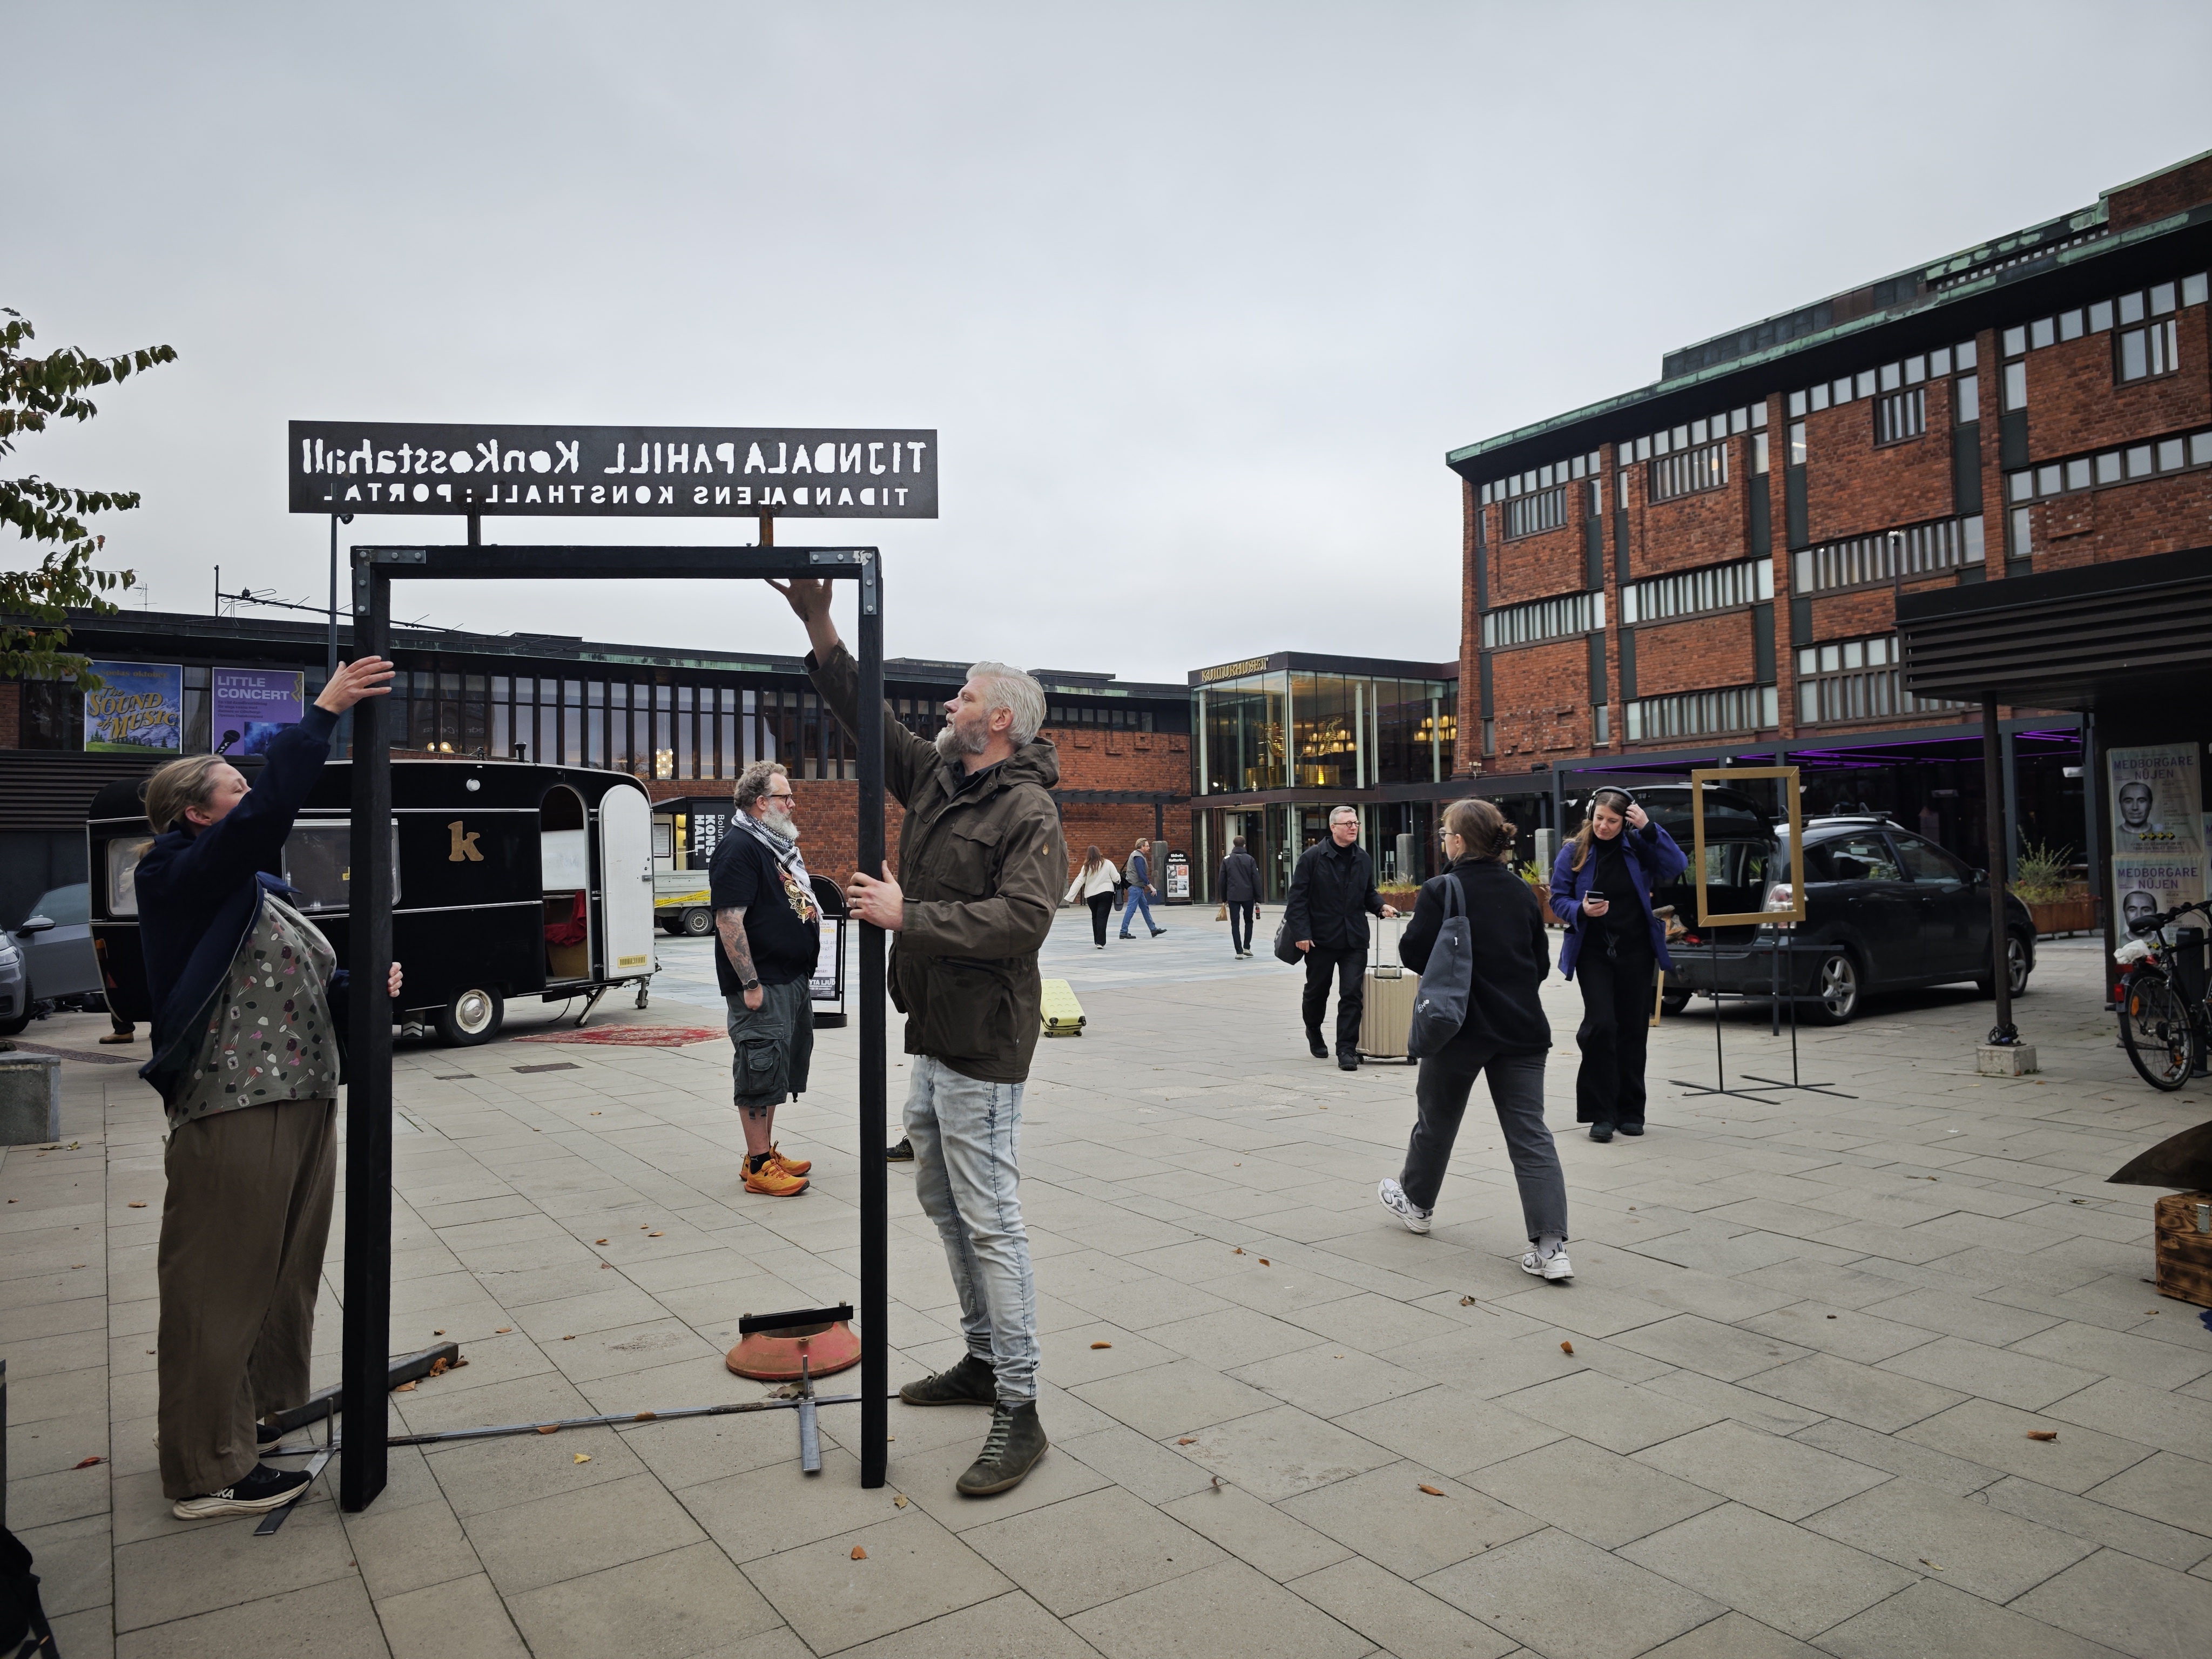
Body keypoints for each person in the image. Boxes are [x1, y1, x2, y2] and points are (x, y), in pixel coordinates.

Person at [770, 575, 1057, 1498]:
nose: (949, 704)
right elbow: (866, 716)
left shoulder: (1028, 812)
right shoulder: (938, 774)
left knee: (990, 1215)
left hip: (984, 1042)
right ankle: (981, 1360)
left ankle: (1021, 1403)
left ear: (1001, 720)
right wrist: (820, 627)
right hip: (933, 1034)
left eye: (966, 696)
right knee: (941, 1200)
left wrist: (909, 915)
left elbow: (1021, 921)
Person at [134, 656, 403, 1520]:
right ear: (195, 814)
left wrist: (366, 989)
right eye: (234, 788)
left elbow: (301, 993)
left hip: (302, 1094)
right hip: (233, 1105)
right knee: (220, 1279)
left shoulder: (260, 890)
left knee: (284, 1274)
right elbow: (255, 829)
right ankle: (206, 1467)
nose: (248, 800)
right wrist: (318, 716)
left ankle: (248, 1421)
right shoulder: (177, 875)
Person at [1378, 799, 1569, 1279]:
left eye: (1446, 833)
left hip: (1458, 1030)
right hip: (1523, 1030)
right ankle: (1551, 1248)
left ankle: (1417, 1205)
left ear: (1460, 841)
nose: (1443, 840)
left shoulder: (1442, 890)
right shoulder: (1523, 891)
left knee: (1436, 1121)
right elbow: (1539, 964)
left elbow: (1416, 954)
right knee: (1531, 1135)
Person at [1549, 787, 1685, 1143]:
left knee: (1632, 1029)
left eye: (1612, 821)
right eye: (1599, 819)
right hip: (1593, 952)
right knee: (1602, 1025)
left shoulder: (1638, 847)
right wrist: (1581, 909)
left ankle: (1631, 1111)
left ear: (1625, 821)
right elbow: (1558, 899)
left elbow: (1676, 866)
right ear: (1591, 816)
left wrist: (1651, 829)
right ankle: (1601, 1113)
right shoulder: (1573, 852)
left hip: (1636, 951)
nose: (1605, 827)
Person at [713, 760, 820, 1197]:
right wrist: (750, 984)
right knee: (759, 1066)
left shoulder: (770, 846)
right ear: (761, 804)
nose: (792, 804)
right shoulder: (740, 847)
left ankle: (764, 1154)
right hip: (764, 983)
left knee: (775, 1066)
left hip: (788, 979)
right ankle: (758, 1165)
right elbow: (729, 921)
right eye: (784, 797)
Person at [1284, 806, 1398, 1070]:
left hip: (1354, 939)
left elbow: (1368, 892)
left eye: (1355, 823)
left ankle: (1346, 1049)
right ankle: (1313, 1029)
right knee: (1317, 992)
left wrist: (1381, 906)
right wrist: (1302, 934)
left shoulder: (1363, 858)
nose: (1353, 827)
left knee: (1352, 995)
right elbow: (1297, 900)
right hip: (1320, 940)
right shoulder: (1312, 858)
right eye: (1347, 823)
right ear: (1333, 828)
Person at [1063, 845, 1121, 950]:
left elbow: (1079, 881)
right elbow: (1116, 878)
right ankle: (1101, 942)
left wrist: (1070, 896)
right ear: (1099, 853)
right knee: (1102, 917)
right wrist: (1119, 881)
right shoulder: (1108, 863)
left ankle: (1097, 940)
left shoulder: (1086, 866)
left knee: (1095, 917)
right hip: (1106, 893)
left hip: (1091, 896)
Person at [1219, 835, 1263, 959]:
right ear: (1244, 845)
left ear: (1234, 845)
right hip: (1248, 895)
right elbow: (1256, 879)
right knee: (1249, 921)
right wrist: (1258, 898)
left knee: (1235, 923)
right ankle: (1247, 947)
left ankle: (1239, 951)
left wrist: (1224, 898)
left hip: (1232, 896)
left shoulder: (1227, 859)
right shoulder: (1250, 859)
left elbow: (1222, 880)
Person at [1120, 839, 1164, 938]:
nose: (1149, 848)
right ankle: (1123, 932)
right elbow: (1141, 874)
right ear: (1142, 847)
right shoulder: (1138, 857)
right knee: (1131, 909)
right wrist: (1152, 887)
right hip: (1135, 887)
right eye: (1147, 846)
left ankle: (1153, 930)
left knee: (1145, 908)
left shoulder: (1137, 855)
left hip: (1137, 887)